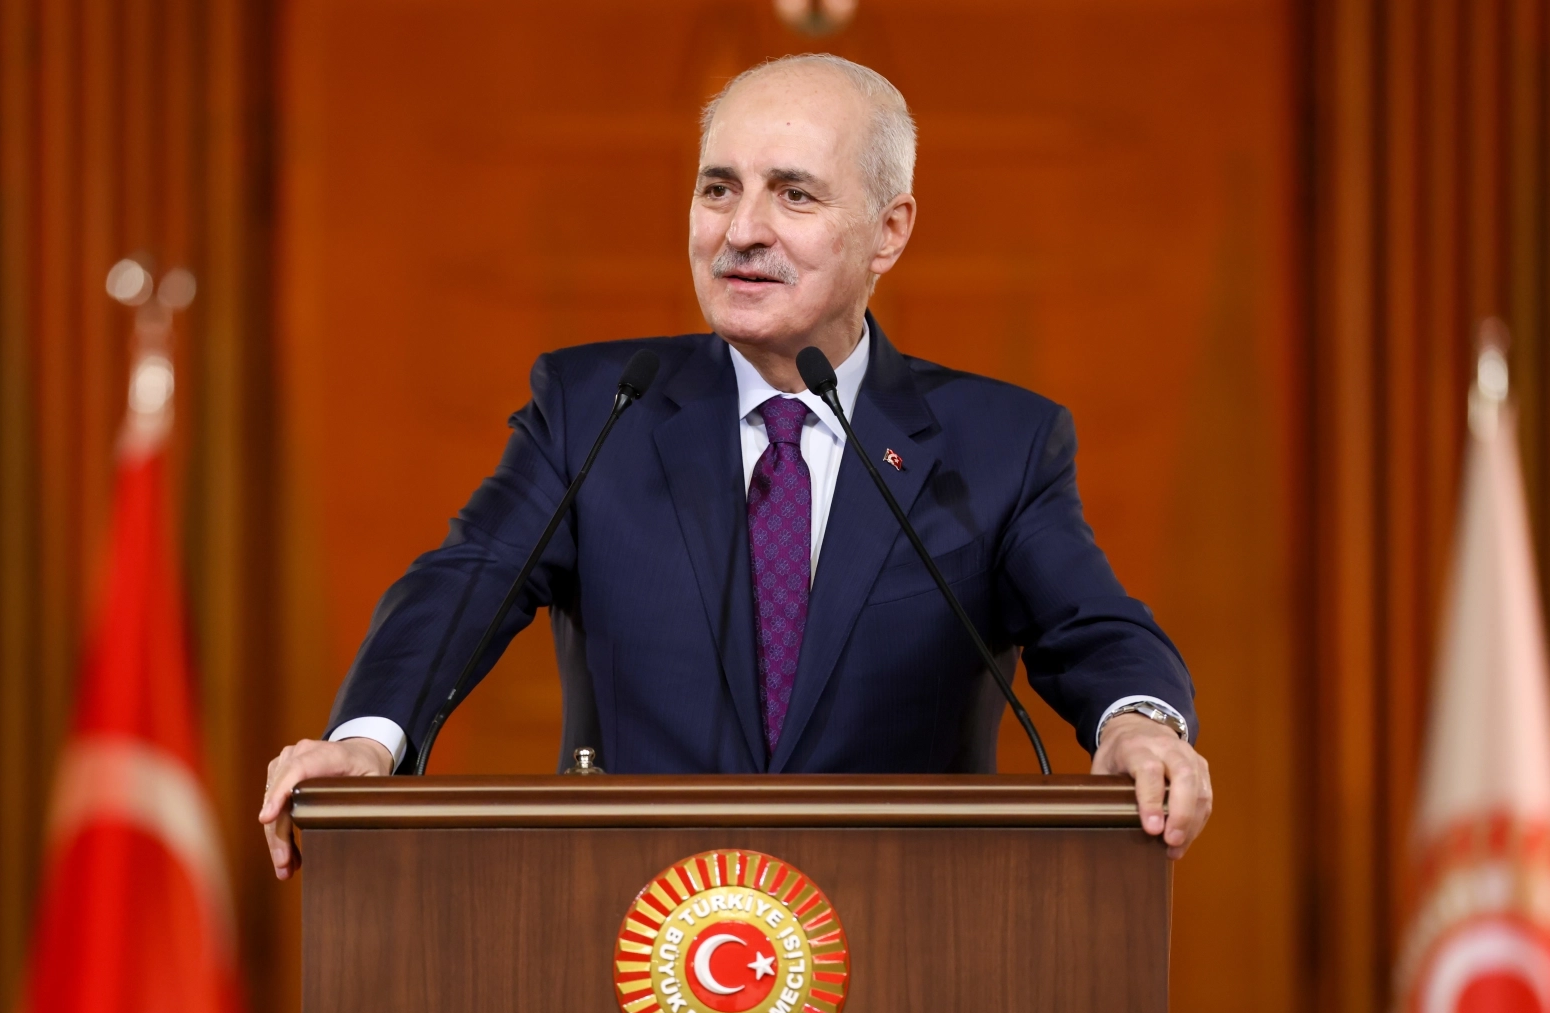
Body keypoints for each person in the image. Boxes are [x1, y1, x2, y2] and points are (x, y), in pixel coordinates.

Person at [260, 53, 1213, 879]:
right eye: (719, 188)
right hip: (631, 929)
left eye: (793, 194)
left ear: (888, 230)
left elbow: (1090, 624)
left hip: (906, 930)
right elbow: (466, 581)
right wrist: (367, 739)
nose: (741, 229)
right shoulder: (597, 408)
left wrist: (1137, 724)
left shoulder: (996, 442)